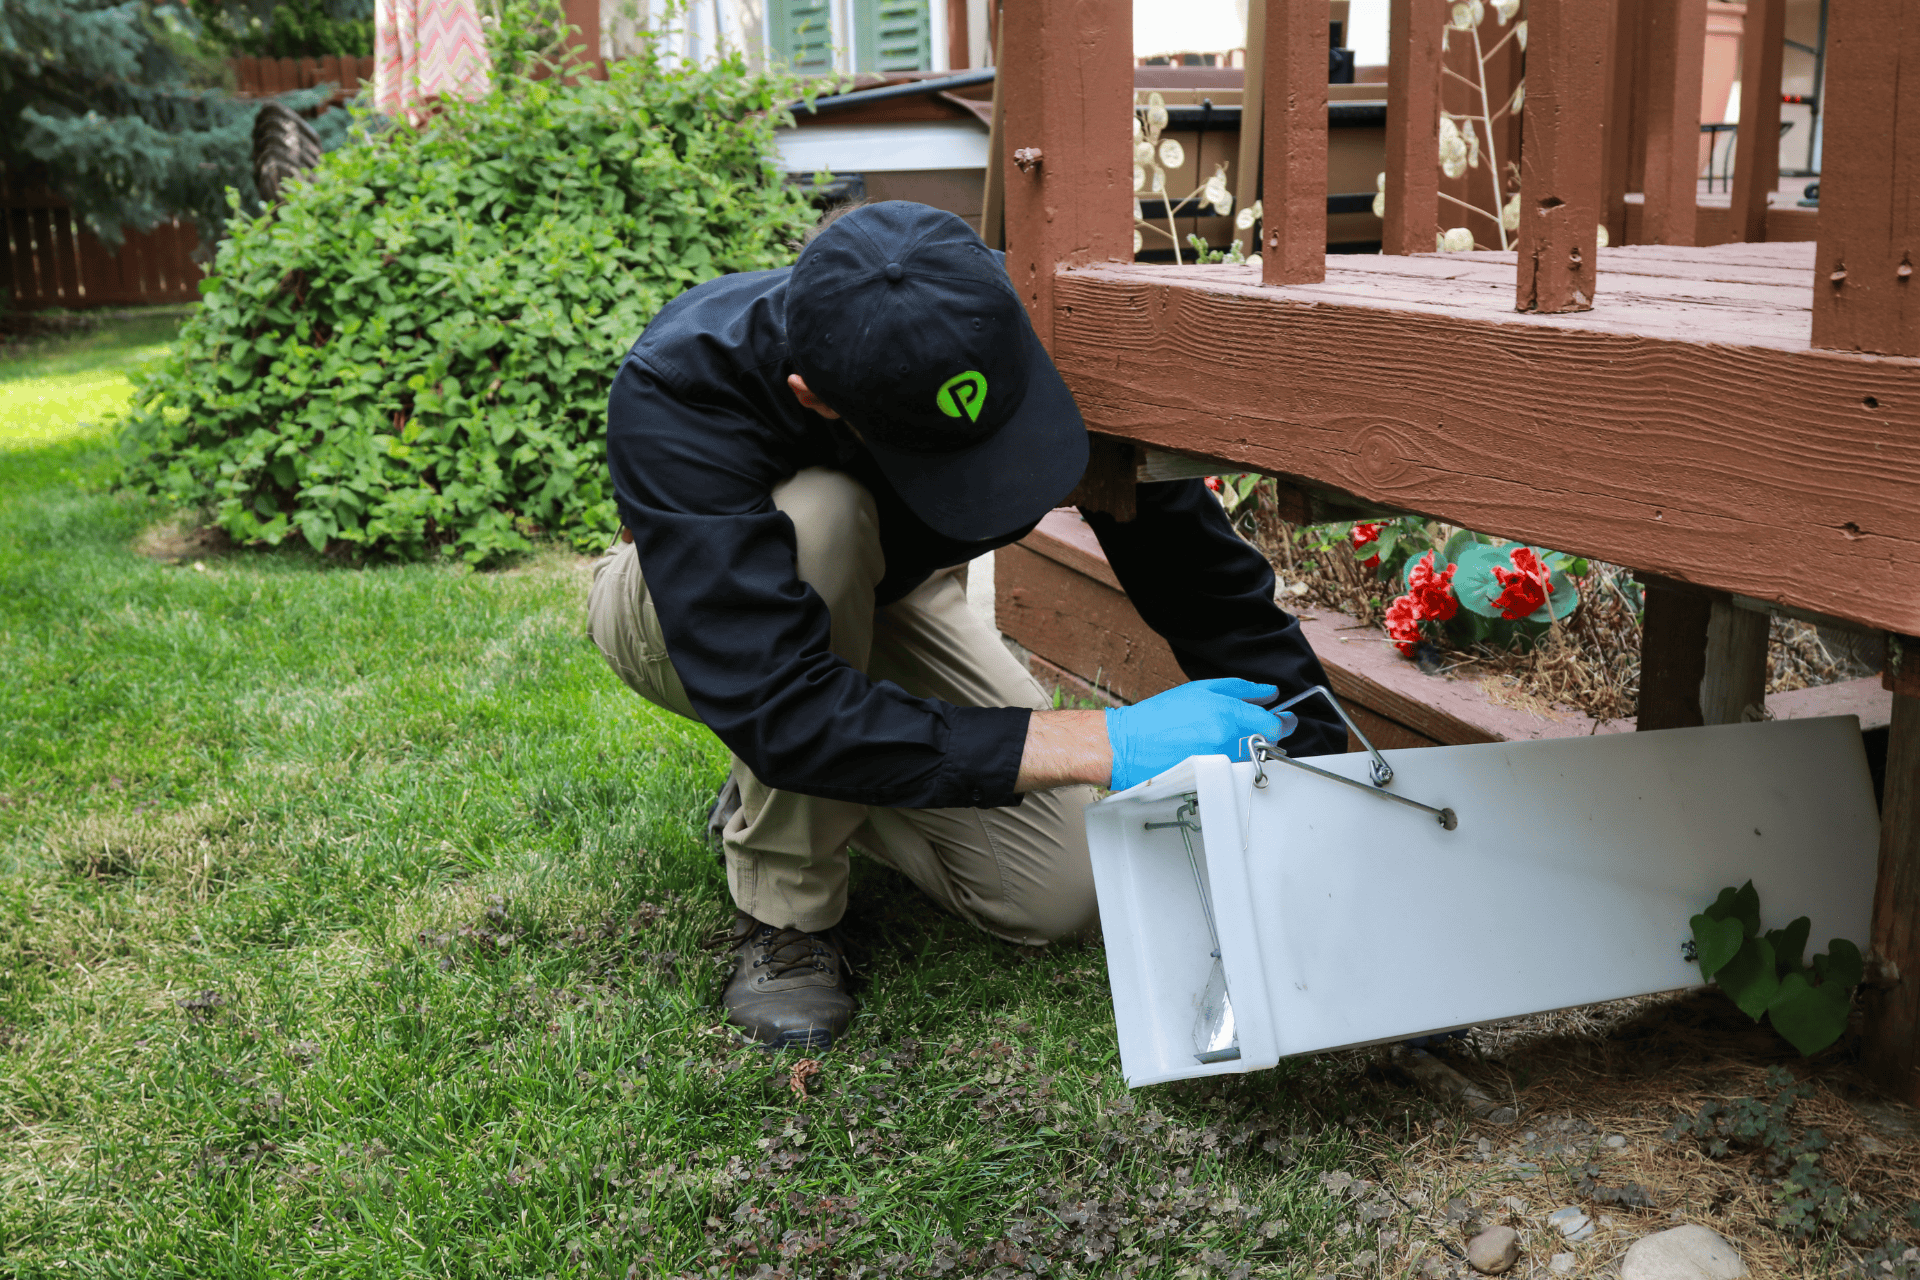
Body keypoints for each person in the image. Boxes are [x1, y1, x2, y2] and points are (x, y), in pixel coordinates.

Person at [588, 201, 1342, 1050]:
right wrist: (1109, 738)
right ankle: (786, 907)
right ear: (815, 399)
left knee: (1058, 892)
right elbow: (781, 702)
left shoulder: (988, 316)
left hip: (888, 602)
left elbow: (1190, 567)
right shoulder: (685, 388)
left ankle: (817, 777)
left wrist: (1325, 775)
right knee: (825, 520)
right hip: (710, 623)